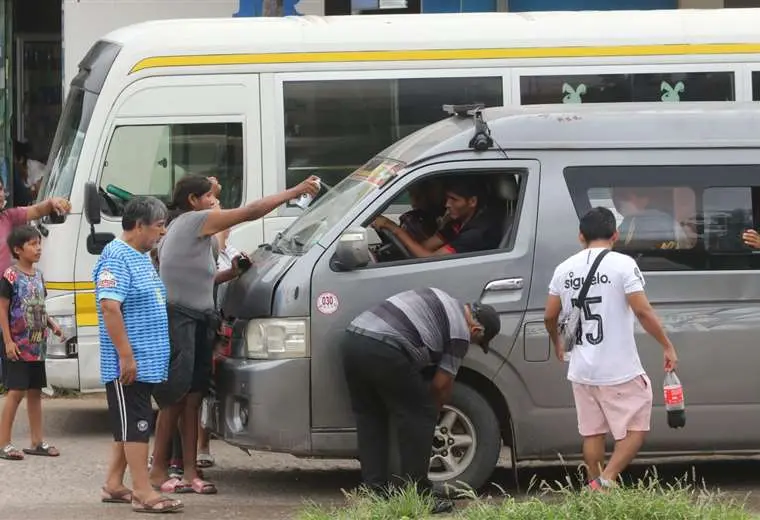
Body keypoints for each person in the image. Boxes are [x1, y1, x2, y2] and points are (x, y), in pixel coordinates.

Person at [150, 173, 319, 494]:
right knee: (174, 397)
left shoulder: (200, 234)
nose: (216, 203)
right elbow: (252, 211)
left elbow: (202, 279)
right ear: (193, 201)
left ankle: (190, 472)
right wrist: (296, 191)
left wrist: (232, 273)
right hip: (181, 318)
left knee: (194, 398)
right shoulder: (190, 222)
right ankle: (158, 471)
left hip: (201, 317)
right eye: (210, 197)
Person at [543, 207, 679, 490]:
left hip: (581, 370)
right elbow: (642, 311)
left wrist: (557, 341)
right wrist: (666, 345)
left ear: (581, 236)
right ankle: (605, 481)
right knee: (636, 429)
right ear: (615, 235)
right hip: (619, 369)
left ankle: (595, 488)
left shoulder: (563, 269)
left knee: (592, 433)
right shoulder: (622, 264)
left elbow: (549, 315)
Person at [340, 288, 501, 515]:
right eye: (478, 341)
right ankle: (420, 497)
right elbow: (440, 385)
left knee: (371, 418)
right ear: (476, 330)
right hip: (385, 348)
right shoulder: (460, 332)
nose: (472, 344)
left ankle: (375, 492)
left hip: (353, 339)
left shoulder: (443, 299)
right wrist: (430, 417)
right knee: (420, 413)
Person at [93, 196, 183, 513]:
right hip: (129, 363)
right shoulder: (116, 256)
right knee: (137, 424)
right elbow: (109, 306)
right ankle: (143, 491)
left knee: (130, 422)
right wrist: (126, 355)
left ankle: (114, 483)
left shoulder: (141, 256)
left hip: (147, 361)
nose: (162, 233)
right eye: (159, 227)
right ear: (139, 225)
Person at [0, 225, 63, 460]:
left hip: (38, 345)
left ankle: (37, 441)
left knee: (36, 391)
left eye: (39, 243)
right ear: (18, 249)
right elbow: (2, 308)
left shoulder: (38, 276)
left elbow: (37, 306)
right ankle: (3, 442)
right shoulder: (10, 276)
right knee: (16, 392)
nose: (38, 248)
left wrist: (52, 324)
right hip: (17, 345)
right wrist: (8, 341)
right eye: (33, 244)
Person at [372, 179, 502, 258]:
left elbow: (429, 259)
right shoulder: (458, 224)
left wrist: (394, 229)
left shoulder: (476, 234)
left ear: (472, 202)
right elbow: (424, 247)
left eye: (454, 199)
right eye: (447, 198)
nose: (447, 205)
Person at [0, 178, 70, 273]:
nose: (0, 195)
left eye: (0, 189)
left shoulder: (7, 217)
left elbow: (37, 210)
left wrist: (52, 203)